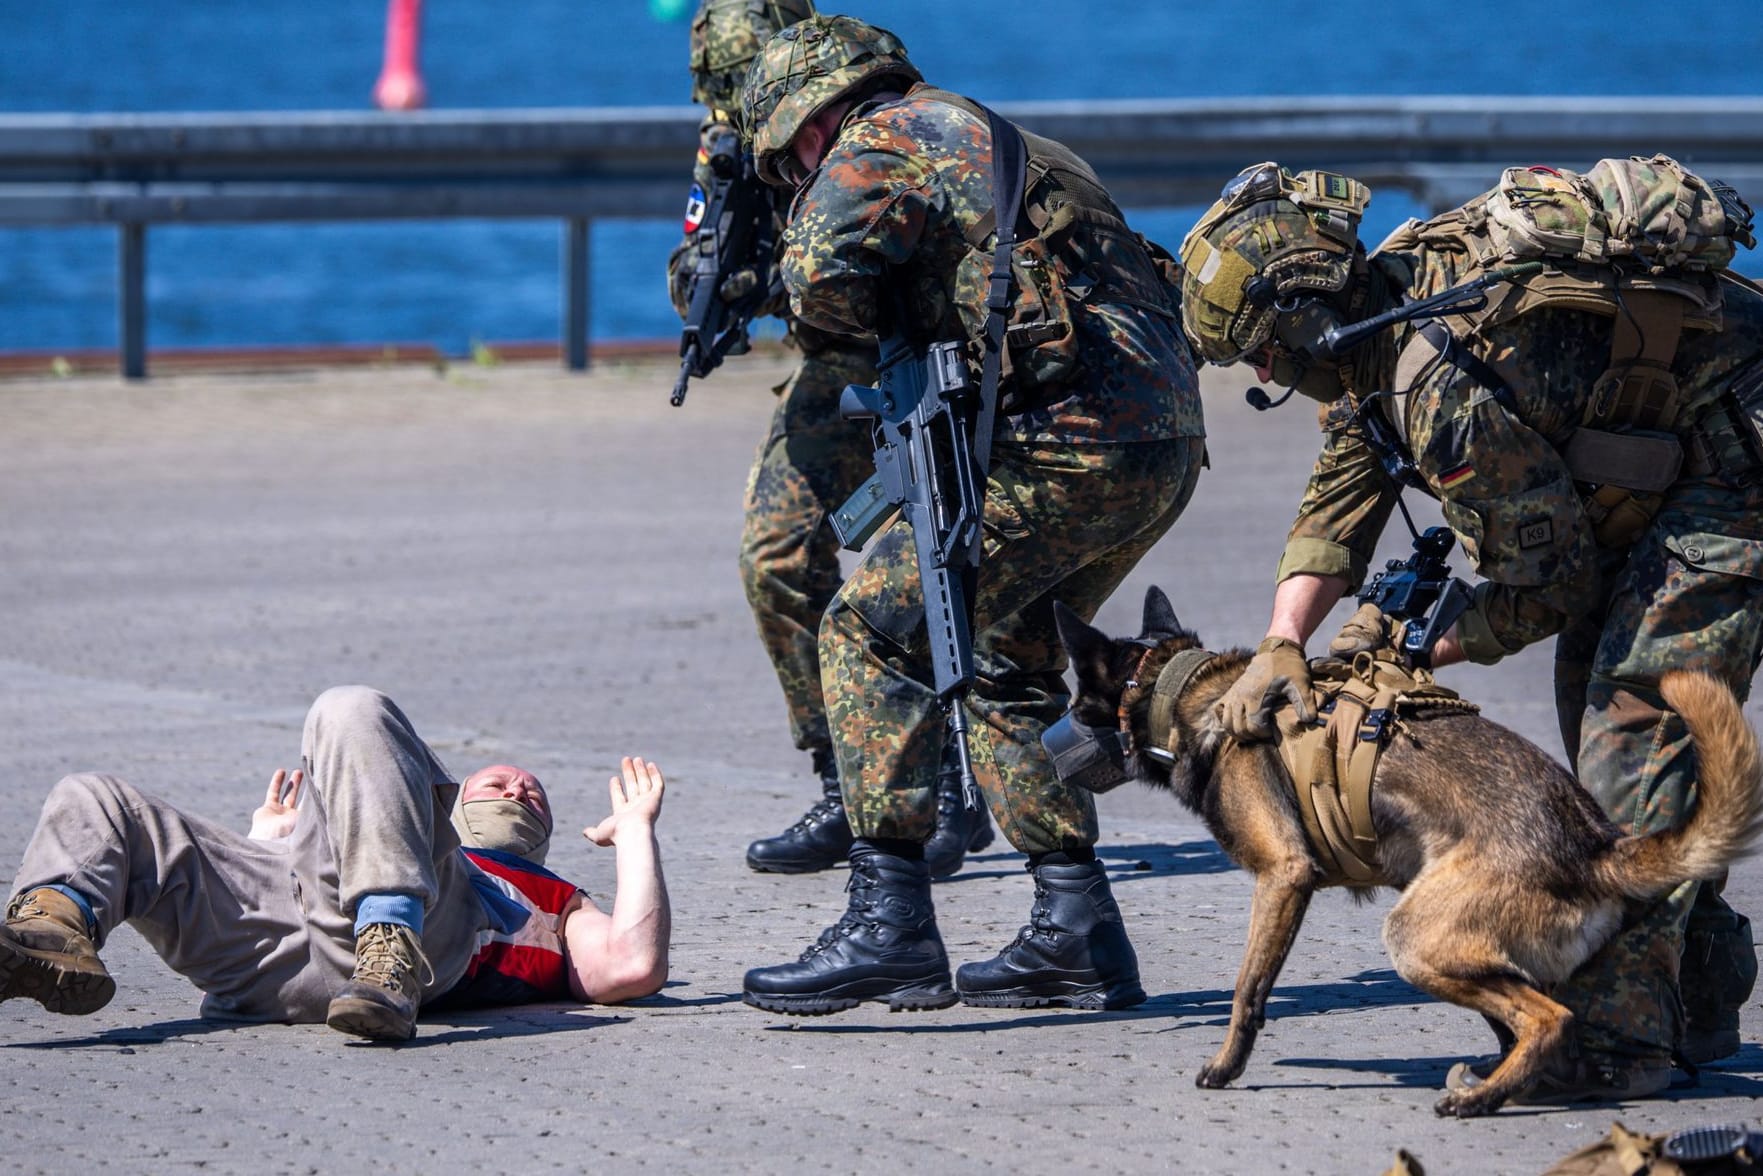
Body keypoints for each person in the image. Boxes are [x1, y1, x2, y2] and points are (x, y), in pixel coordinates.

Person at [1177, 158, 1763, 1100]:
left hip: (1725, 485)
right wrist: (1284, 638)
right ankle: (1696, 983)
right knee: (1613, 764)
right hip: (1650, 472)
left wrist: (1427, 644)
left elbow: (1548, 582)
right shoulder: (1381, 312)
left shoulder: (1436, 387)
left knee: (1630, 736)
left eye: (1264, 353)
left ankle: (1617, 1050)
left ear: (1309, 322)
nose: (1258, 373)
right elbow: (1340, 495)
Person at [735, 14, 1206, 1014]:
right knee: (1003, 653)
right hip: (1160, 444)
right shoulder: (1015, 143)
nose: (795, 177)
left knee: (867, 631)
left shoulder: (872, 142)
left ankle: (889, 922)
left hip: (1057, 444)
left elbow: (817, 276)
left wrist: (851, 350)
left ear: (804, 125)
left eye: (787, 163)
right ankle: (1076, 931)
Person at [668, 0, 991, 879]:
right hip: (830, 362)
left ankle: (950, 777)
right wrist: (720, 281)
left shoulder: (864, 111)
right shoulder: (727, 146)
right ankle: (841, 779)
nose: (742, 102)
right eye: (727, 89)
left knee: (931, 558)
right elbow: (690, 261)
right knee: (774, 556)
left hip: (925, 344)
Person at [0, 685, 670, 1041]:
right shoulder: (398, 810)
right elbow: (367, 807)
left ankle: (390, 945)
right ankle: (56, 931)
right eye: (497, 782)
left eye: (531, 793)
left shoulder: (550, 896)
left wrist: (637, 832)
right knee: (94, 798)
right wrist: (266, 847)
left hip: (427, 948)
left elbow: (631, 965)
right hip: (272, 953)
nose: (517, 787)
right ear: (445, 803)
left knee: (350, 708)